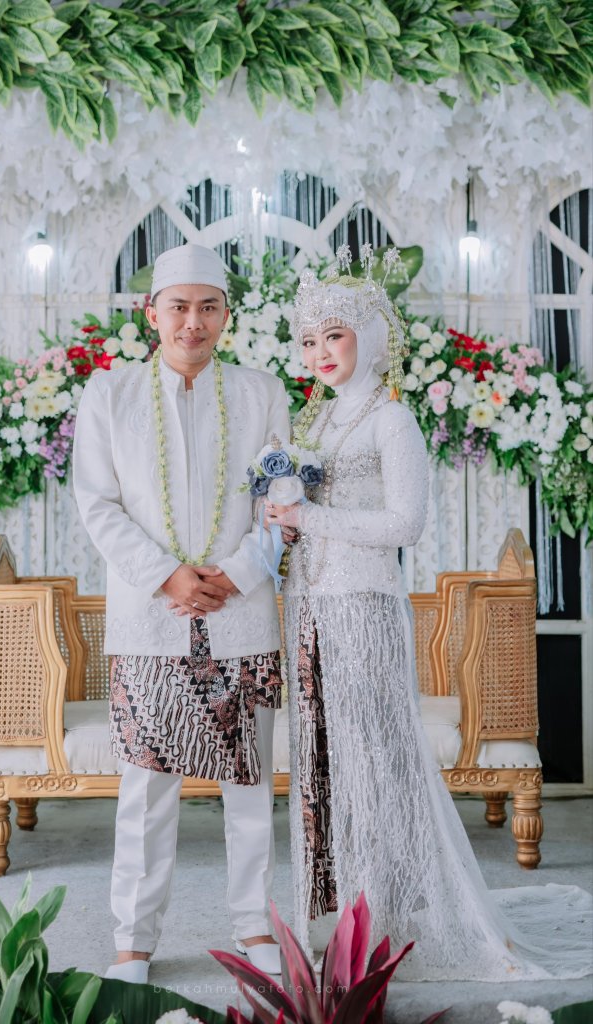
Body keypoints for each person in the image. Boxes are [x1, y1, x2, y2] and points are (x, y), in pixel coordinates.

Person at [267, 246, 592, 981]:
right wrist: (284, 520)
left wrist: (309, 517)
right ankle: (343, 913)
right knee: (326, 759)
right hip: (310, 606)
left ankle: (388, 911)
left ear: (367, 336)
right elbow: (314, 512)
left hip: (364, 605)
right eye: (309, 340)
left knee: (375, 759)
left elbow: (404, 524)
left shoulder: (392, 420)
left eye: (334, 336)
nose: (320, 353)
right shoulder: (318, 420)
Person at [74, 242, 290, 982]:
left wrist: (236, 575)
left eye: (207, 307)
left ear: (226, 315)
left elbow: (281, 502)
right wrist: (167, 576)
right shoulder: (110, 394)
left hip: (241, 614)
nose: (192, 322)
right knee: (145, 788)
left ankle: (254, 927)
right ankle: (132, 941)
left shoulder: (262, 393)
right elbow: (97, 504)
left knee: (249, 782)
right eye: (178, 307)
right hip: (149, 620)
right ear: (151, 313)